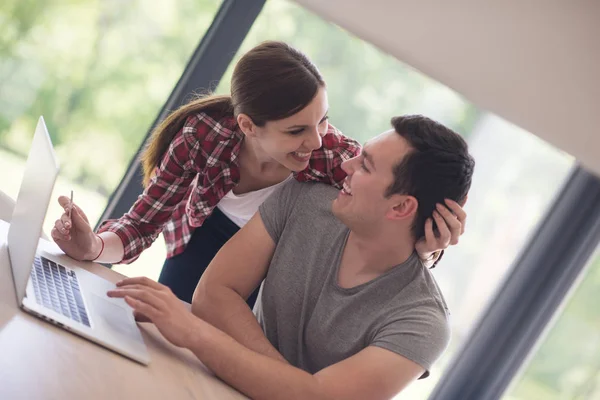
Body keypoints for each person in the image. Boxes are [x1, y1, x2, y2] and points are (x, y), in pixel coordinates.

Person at [51, 41, 461, 306]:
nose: (316, 140)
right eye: (296, 130)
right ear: (247, 125)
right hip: (196, 246)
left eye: (323, 121)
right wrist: (92, 248)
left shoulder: (335, 158)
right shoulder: (203, 136)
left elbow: (384, 222)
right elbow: (141, 226)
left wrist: (427, 247)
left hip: (264, 280)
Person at [106, 114, 475, 400]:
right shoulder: (305, 200)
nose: (346, 166)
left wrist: (194, 334)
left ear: (400, 206)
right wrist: (287, 385)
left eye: (365, 166)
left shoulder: (422, 323)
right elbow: (215, 293)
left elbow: (317, 399)